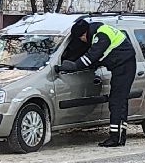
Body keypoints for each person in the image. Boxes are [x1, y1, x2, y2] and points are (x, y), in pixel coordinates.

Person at [58, 17, 137, 147]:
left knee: (116, 102)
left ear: (83, 34)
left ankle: (115, 138)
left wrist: (73, 66)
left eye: (80, 38)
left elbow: (91, 57)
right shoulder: (99, 31)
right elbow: (98, 57)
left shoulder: (101, 36)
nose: (82, 41)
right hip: (123, 65)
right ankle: (120, 137)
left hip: (124, 67)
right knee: (120, 101)